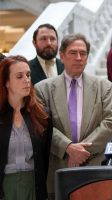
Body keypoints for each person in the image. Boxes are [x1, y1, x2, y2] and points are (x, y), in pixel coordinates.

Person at [35, 33, 112, 199]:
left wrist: (80, 152)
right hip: (58, 168)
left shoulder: (104, 86)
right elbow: (42, 126)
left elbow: (110, 122)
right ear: (62, 56)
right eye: (73, 53)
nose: (79, 58)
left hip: (93, 168)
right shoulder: (42, 89)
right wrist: (68, 148)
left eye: (83, 53)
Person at [0, 55, 52, 200]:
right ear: (6, 82)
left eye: (28, 75)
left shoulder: (42, 115)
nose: (27, 80)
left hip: (34, 185)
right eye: (19, 76)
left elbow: (44, 157)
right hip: (5, 186)